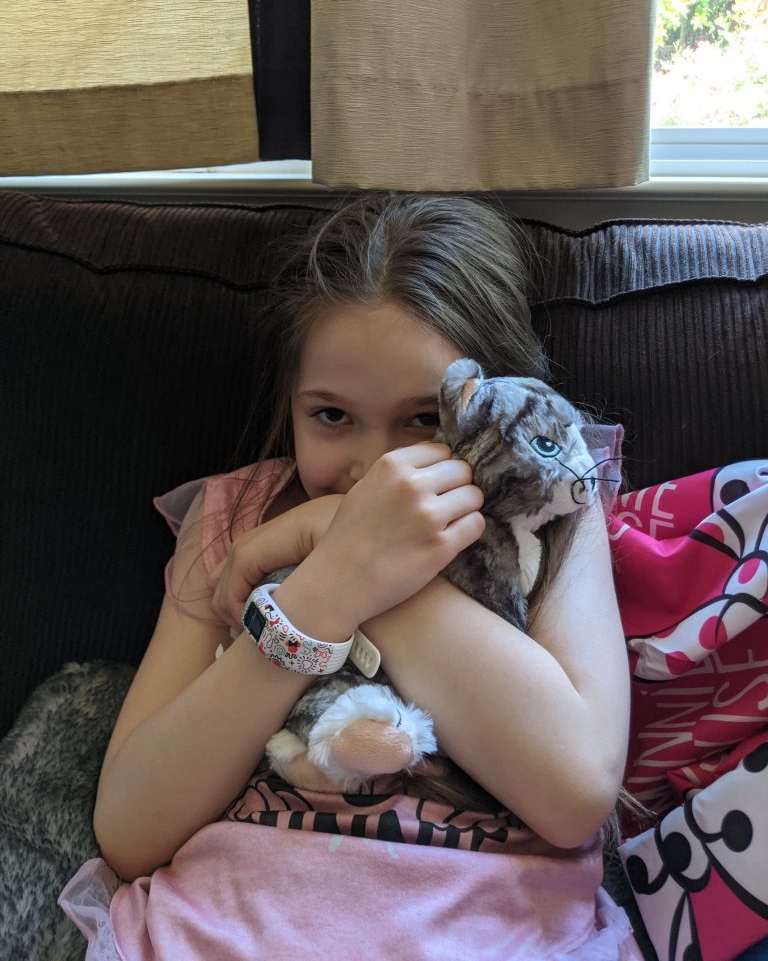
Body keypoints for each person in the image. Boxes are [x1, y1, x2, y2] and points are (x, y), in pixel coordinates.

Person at [60, 194, 640, 959]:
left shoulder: (550, 510)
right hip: (225, 927)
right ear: (293, 405)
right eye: (332, 416)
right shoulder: (238, 516)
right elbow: (132, 831)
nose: (375, 471)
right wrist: (327, 584)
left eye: (425, 420)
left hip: (492, 933)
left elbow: (575, 794)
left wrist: (353, 556)